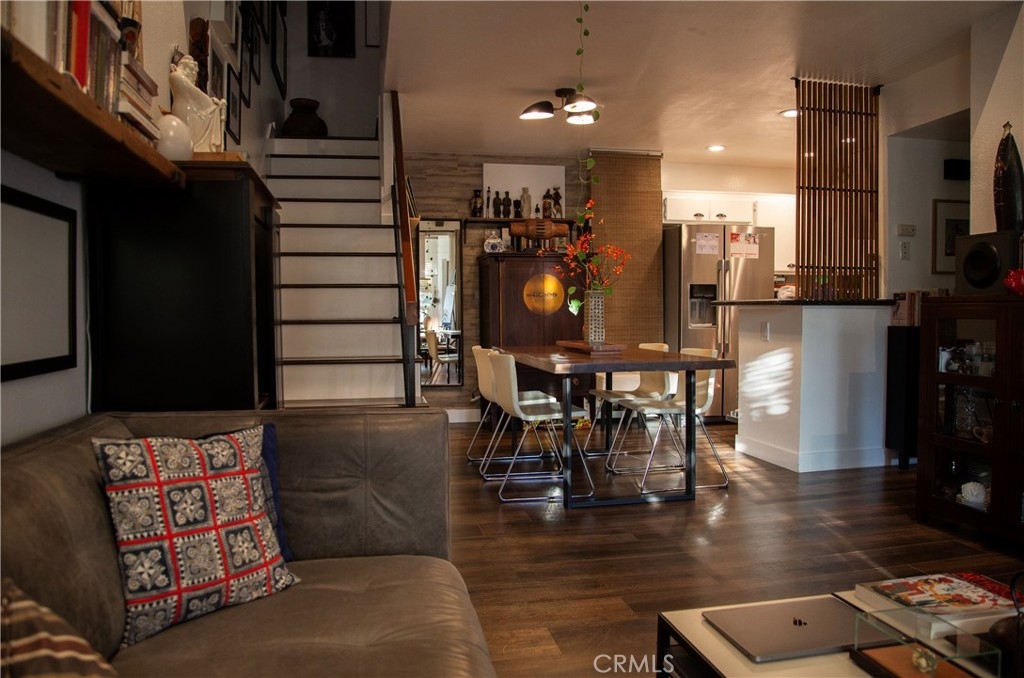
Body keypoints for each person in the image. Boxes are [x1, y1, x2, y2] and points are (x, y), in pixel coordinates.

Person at [169, 55, 226, 153]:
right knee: (186, 137)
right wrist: (211, 102)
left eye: (195, 72)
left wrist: (212, 104)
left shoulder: (180, 79)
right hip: (184, 111)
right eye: (192, 70)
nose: (194, 75)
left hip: (190, 112)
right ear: (185, 68)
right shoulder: (175, 76)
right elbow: (195, 93)